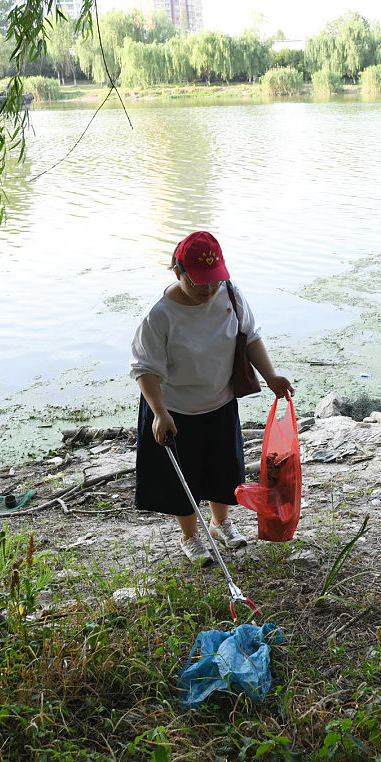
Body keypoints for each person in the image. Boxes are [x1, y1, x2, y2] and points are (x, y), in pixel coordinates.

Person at [130, 231, 294, 567]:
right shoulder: (160, 316)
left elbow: (249, 338)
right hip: (175, 410)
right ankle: (190, 536)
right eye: (199, 282)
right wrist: (159, 413)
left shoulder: (230, 295)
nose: (208, 290)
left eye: (214, 281)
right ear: (178, 273)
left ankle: (221, 524)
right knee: (182, 481)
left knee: (224, 472)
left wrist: (271, 376)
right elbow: (145, 369)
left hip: (219, 403)